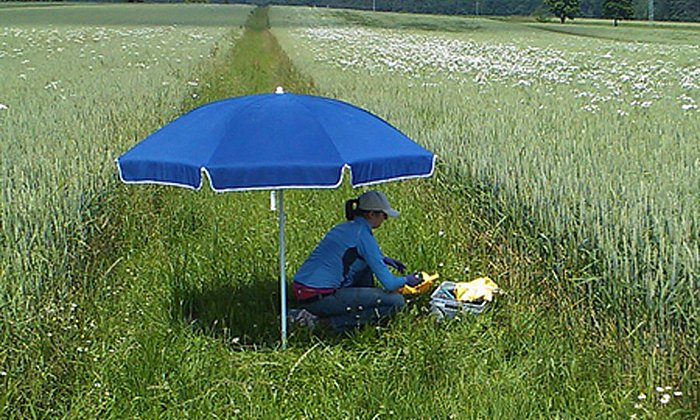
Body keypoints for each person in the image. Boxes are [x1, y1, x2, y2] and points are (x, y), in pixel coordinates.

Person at [289, 190, 423, 333]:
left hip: (301, 291)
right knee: (396, 301)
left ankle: (310, 313)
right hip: (320, 298)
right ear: (371, 214)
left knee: (365, 268)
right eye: (384, 216)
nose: (385, 220)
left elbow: (344, 255)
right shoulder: (363, 235)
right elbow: (389, 284)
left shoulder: (344, 227)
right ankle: (325, 323)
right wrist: (407, 280)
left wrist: (382, 259)